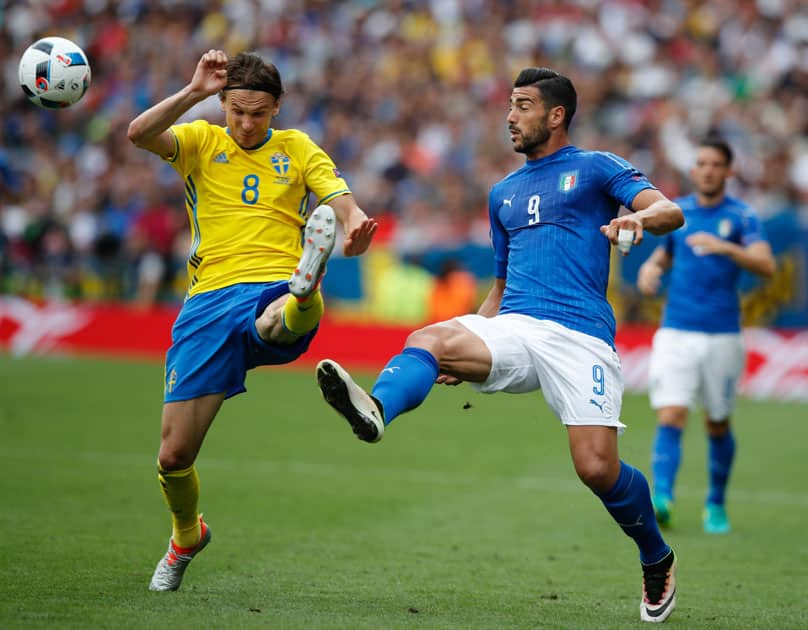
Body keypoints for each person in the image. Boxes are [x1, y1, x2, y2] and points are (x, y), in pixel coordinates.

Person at [316, 68, 684, 623]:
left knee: (595, 469)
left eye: (523, 105)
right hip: (513, 326)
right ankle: (377, 409)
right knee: (429, 338)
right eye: (510, 105)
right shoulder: (503, 193)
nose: (510, 116)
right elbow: (501, 286)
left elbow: (669, 211)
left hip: (579, 336)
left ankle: (656, 557)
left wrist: (635, 219)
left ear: (556, 115)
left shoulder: (595, 168)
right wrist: (467, 345)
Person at [127, 49, 377, 591]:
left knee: (273, 322)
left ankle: (305, 286)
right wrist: (193, 91)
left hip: (270, 283)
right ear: (222, 103)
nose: (246, 123)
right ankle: (186, 535)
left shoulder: (297, 148)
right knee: (173, 456)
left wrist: (356, 224)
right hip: (207, 301)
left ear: (277, 108)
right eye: (237, 110)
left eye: (258, 113)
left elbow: (341, 201)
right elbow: (139, 134)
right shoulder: (200, 139)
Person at [637, 135, 775, 534]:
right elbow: (667, 253)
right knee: (671, 413)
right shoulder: (678, 213)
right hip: (676, 330)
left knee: (717, 422)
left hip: (722, 335)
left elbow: (766, 265)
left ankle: (715, 503)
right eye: (702, 163)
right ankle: (662, 499)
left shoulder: (743, 217)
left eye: (716, 164)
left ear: (729, 171)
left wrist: (725, 248)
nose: (708, 170)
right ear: (694, 170)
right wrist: (652, 268)